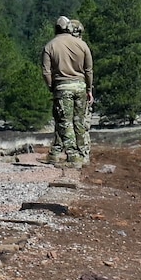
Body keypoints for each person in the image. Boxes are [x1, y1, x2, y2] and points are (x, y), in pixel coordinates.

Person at [43, 16, 95, 167]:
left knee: (65, 123)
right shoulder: (82, 45)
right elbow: (89, 70)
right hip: (80, 86)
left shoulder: (50, 46)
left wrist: (51, 86)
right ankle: (83, 154)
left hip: (62, 87)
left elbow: (46, 71)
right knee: (79, 122)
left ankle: (73, 156)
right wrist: (89, 89)